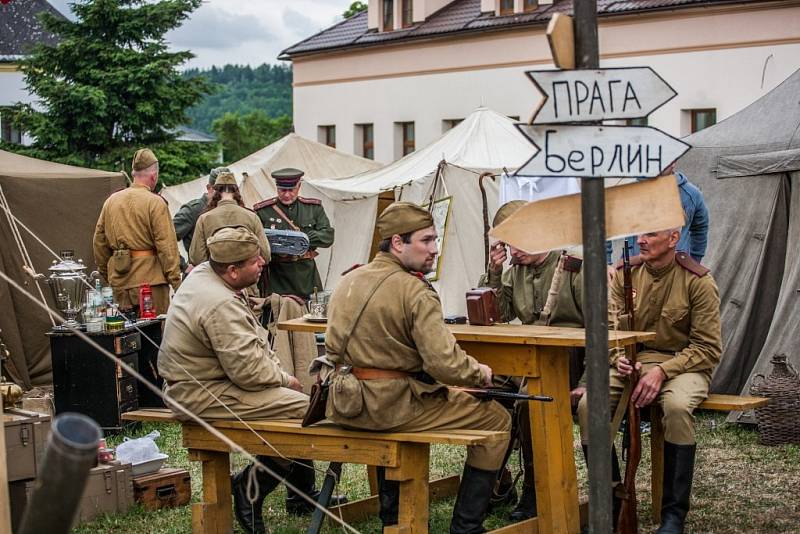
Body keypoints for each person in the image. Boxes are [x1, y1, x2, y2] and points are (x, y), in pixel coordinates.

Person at [325, 201, 511, 533]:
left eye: (434, 240)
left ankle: (392, 518)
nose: (435, 250)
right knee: (497, 419)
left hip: (346, 402)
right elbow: (444, 363)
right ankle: (466, 528)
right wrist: (479, 373)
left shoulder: (349, 280)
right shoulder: (415, 291)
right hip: (389, 408)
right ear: (398, 242)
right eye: (425, 241)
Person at [157, 226, 343, 533]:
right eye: (255, 260)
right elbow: (250, 373)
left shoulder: (206, 274)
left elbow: (249, 350)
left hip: (209, 383)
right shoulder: (218, 303)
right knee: (309, 410)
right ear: (231, 270)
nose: (262, 264)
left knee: (306, 405)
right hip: (202, 394)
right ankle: (250, 487)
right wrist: (286, 379)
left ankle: (271, 488)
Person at [579, 227, 722, 534]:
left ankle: (673, 515)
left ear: (673, 238)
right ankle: (613, 502)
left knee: (677, 406)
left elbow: (708, 348)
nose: (640, 240)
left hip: (684, 365)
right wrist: (620, 359)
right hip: (632, 361)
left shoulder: (697, 281)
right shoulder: (624, 275)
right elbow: (609, 332)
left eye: (651, 234)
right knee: (591, 405)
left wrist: (663, 371)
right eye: (639, 234)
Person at [477, 200, 585, 522]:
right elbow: (500, 314)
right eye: (504, 243)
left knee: (527, 402)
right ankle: (490, 481)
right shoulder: (515, 272)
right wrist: (494, 274)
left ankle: (536, 490)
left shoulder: (572, 267)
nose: (508, 250)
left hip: (568, 358)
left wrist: (585, 382)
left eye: (512, 241)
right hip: (527, 357)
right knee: (485, 388)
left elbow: (600, 327)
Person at [93, 148, 181, 314]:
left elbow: (99, 243)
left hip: (119, 284)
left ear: (134, 174)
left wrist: (109, 274)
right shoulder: (155, 203)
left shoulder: (111, 202)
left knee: (123, 338)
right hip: (151, 285)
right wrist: (176, 282)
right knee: (154, 336)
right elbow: (167, 247)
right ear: (154, 176)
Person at [606, 169, 709, 275]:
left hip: (675, 271)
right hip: (634, 270)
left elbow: (700, 228)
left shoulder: (691, 194)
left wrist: (694, 263)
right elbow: (603, 223)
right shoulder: (630, 191)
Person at [253, 168, 334, 299]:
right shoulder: (263, 211)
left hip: (306, 275)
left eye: (291, 190)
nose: (286, 195)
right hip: (276, 276)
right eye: (282, 190)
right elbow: (255, 242)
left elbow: (328, 236)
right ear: (276, 187)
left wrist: (302, 239)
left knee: (310, 313)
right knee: (277, 314)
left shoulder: (313, 208)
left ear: (299, 186)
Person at [187, 171, 270, 270]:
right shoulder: (252, 217)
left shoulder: (204, 219)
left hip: (215, 279)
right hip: (245, 281)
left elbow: (197, 258)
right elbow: (265, 255)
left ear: (216, 191)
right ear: (236, 191)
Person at [172, 166, 228, 273]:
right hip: (200, 275)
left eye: (228, 190)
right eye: (219, 190)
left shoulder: (230, 210)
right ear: (209, 188)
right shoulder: (193, 210)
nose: (224, 194)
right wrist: (183, 266)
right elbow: (166, 238)